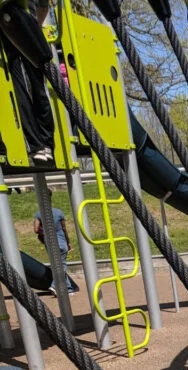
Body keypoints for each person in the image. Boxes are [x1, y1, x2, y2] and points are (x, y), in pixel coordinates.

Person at [1, 1, 56, 163]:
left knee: (22, 85)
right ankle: (45, 143)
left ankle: (38, 144)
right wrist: (36, 25)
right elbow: (43, 6)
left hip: (10, 25)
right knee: (37, 86)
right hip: (27, 26)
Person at [33, 190, 75, 293]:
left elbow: (36, 230)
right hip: (61, 242)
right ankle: (55, 285)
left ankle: (68, 288)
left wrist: (45, 232)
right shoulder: (58, 212)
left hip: (49, 243)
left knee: (57, 265)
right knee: (62, 265)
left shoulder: (39, 214)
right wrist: (68, 242)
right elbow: (64, 229)